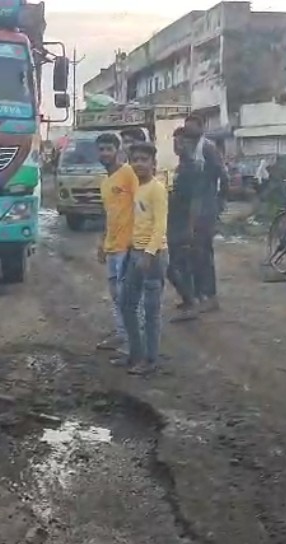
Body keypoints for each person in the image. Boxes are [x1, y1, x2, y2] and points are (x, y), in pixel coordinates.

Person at [113, 142, 168, 375]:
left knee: (151, 311)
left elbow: (160, 225)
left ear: (153, 163)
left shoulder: (157, 189)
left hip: (153, 256)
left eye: (144, 160)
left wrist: (148, 252)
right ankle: (135, 354)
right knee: (127, 305)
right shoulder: (133, 188)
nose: (139, 164)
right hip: (133, 252)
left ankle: (151, 360)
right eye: (134, 160)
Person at [94, 132, 139, 353]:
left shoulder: (129, 174)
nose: (105, 153)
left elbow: (141, 205)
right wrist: (102, 243)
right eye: (101, 149)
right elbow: (108, 214)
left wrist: (139, 242)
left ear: (117, 151)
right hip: (112, 247)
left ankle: (133, 345)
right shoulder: (105, 182)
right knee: (115, 296)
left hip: (128, 247)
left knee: (128, 297)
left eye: (109, 149)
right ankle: (122, 336)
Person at [182, 114, 229, 313]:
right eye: (186, 127)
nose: (188, 131)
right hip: (196, 207)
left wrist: (219, 202)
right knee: (195, 253)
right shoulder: (190, 149)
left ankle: (210, 297)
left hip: (206, 207)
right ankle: (199, 295)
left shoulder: (207, 148)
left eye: (192, 127)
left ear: (201, 127)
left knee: (203, 253)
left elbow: (222, 175)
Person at [167, 126, 197, 321]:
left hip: (184, 224)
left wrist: (191, 227)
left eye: (181, 141)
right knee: (176, 265)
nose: (177, 145)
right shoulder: (182, 166)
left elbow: (195, 200)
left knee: (177, 266)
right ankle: (187, 301)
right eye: (175, 141)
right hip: (175, 221)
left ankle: (190, 304)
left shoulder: (192, 168)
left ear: (191, 144)